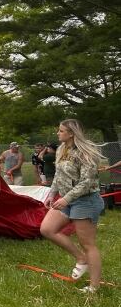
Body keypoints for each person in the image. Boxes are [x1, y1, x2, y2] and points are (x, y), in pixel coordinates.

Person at [39, 119, 104, 293]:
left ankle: (94, 287)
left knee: (88, 243)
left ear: (71, 133)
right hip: (67, 199)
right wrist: (51, 194)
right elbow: (59, 175)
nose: (57, 133)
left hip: (86, 200)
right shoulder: (61, 149)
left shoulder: (85, 152)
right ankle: (81, 259)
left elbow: (87, 182)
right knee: (47, 229)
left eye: (61, 131)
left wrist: (66, 199)